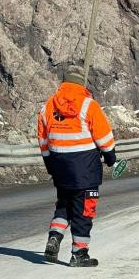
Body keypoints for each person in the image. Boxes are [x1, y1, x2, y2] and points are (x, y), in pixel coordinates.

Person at [38, 70, 117, 267]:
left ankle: (54, 237)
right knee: (84, 211)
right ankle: (79, 254)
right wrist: (110, 157)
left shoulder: (47, 107)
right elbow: (104, 137)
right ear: (82, 85)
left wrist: (50, 165)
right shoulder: (89, 105)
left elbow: (43, 141)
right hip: (85, 169)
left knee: (64, 205)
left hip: (60, 167)